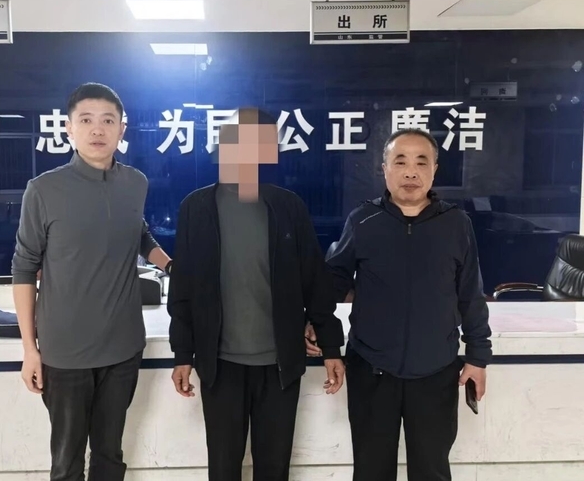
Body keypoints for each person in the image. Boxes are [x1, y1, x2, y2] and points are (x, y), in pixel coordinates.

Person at [167, 107, 345, 481]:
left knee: (274, 470)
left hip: (279, 365)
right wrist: (183, 353)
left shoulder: (287, 207)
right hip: (220, 366)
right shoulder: (196, 208)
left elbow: (314, 281)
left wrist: (331, 346)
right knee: (223, 469)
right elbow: (183, 289)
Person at [11, 83, 172, 481]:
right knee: (67, 463)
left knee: (110, 457)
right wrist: (30, 349)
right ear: (68, 128)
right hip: (65, 353)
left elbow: (140, 234)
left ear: (121, 129)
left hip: (123, 346)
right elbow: (24, 268)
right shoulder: (43, 190)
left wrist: (170, 265)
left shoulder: (135, 182)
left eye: (107, 121)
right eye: (86, 120)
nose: (97, 129)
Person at [325, 128, 492, 481]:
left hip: (436, 370)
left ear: (434, 169)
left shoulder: (456, 223)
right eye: (400, 162)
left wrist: (478, 356)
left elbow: (470, 293)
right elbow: (333, 282)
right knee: (370, 471)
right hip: (371, 368)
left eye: (421, 162)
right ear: (384, 168)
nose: (411, 172)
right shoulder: (363, 220)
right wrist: (319, 330)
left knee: (432, 470)